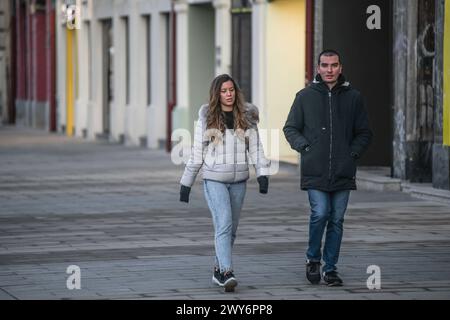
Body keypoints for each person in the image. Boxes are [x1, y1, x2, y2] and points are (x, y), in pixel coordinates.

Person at [283, 49, 372, 286]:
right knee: (321, 213)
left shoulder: (353, 97)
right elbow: (290, 128)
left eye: (333, 65)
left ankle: (330, 269)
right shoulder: (304, 96)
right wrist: (305, 148)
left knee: (337, 219)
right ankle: (313, 259)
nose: (329, 70)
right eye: (325, 65)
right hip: (315, 169)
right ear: (318, 68)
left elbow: (364, 132)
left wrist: (352, 153)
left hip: (343, 170)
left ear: (340, 68)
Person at [179, 74, 271, 292]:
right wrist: (186, 183)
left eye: (231, 90)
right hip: (214, 179)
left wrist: (263, 174)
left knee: (232, 230)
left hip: (239, 180)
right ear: (217, 94)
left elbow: (256, 148)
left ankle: (219, 269)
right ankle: (228, 272)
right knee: (224, 223)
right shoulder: (208, 117)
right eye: (224, 91)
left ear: (236, 92)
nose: (228, 94)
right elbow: (197, 152)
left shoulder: (247, 116)